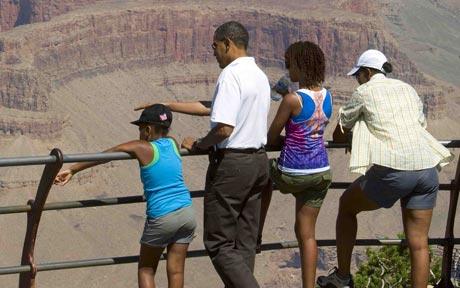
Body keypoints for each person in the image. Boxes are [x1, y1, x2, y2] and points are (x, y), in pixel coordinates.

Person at [137, 21, 271, 288]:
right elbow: (212, 107)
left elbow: (223, 128)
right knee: (244, 242)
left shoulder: (231, 74)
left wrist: (199, 145)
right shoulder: (258, 74)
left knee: (218, 242)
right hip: (258, 163)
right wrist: (166, 105)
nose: (212, 52)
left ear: (227, 44)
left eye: (214, 46)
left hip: (233, 166)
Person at [317, 49, 454, 288]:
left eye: (358, 75)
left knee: (347, 205)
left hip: (396, 170)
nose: (356, 80)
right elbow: (420, 123)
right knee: (419, 242)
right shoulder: (407, 89)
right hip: (427, 168)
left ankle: (342, 278)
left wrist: (357, 131)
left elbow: (339, 133)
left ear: (367, 72)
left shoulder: (364, 91)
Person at [54, 104, 196, 288]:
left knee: (146, 269)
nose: (138, 133)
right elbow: (182, 142)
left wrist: (73, 169)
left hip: (163, 216)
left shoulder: (142, 147)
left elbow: (109, 154)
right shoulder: (172, 143)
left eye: (140, 129)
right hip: (187, 212)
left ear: (148, 130)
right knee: (176, 270)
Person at [258, 41, 333, 288]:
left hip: (293, 172)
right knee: (307, 234)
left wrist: (281, 99)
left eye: (289, 65)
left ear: (301, 66)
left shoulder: (292, 100)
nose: (288, 70)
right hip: (321, 172)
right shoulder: (328, 96)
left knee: (263, 171)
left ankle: (256, 232)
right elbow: (313, 130)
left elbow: (271, 137)